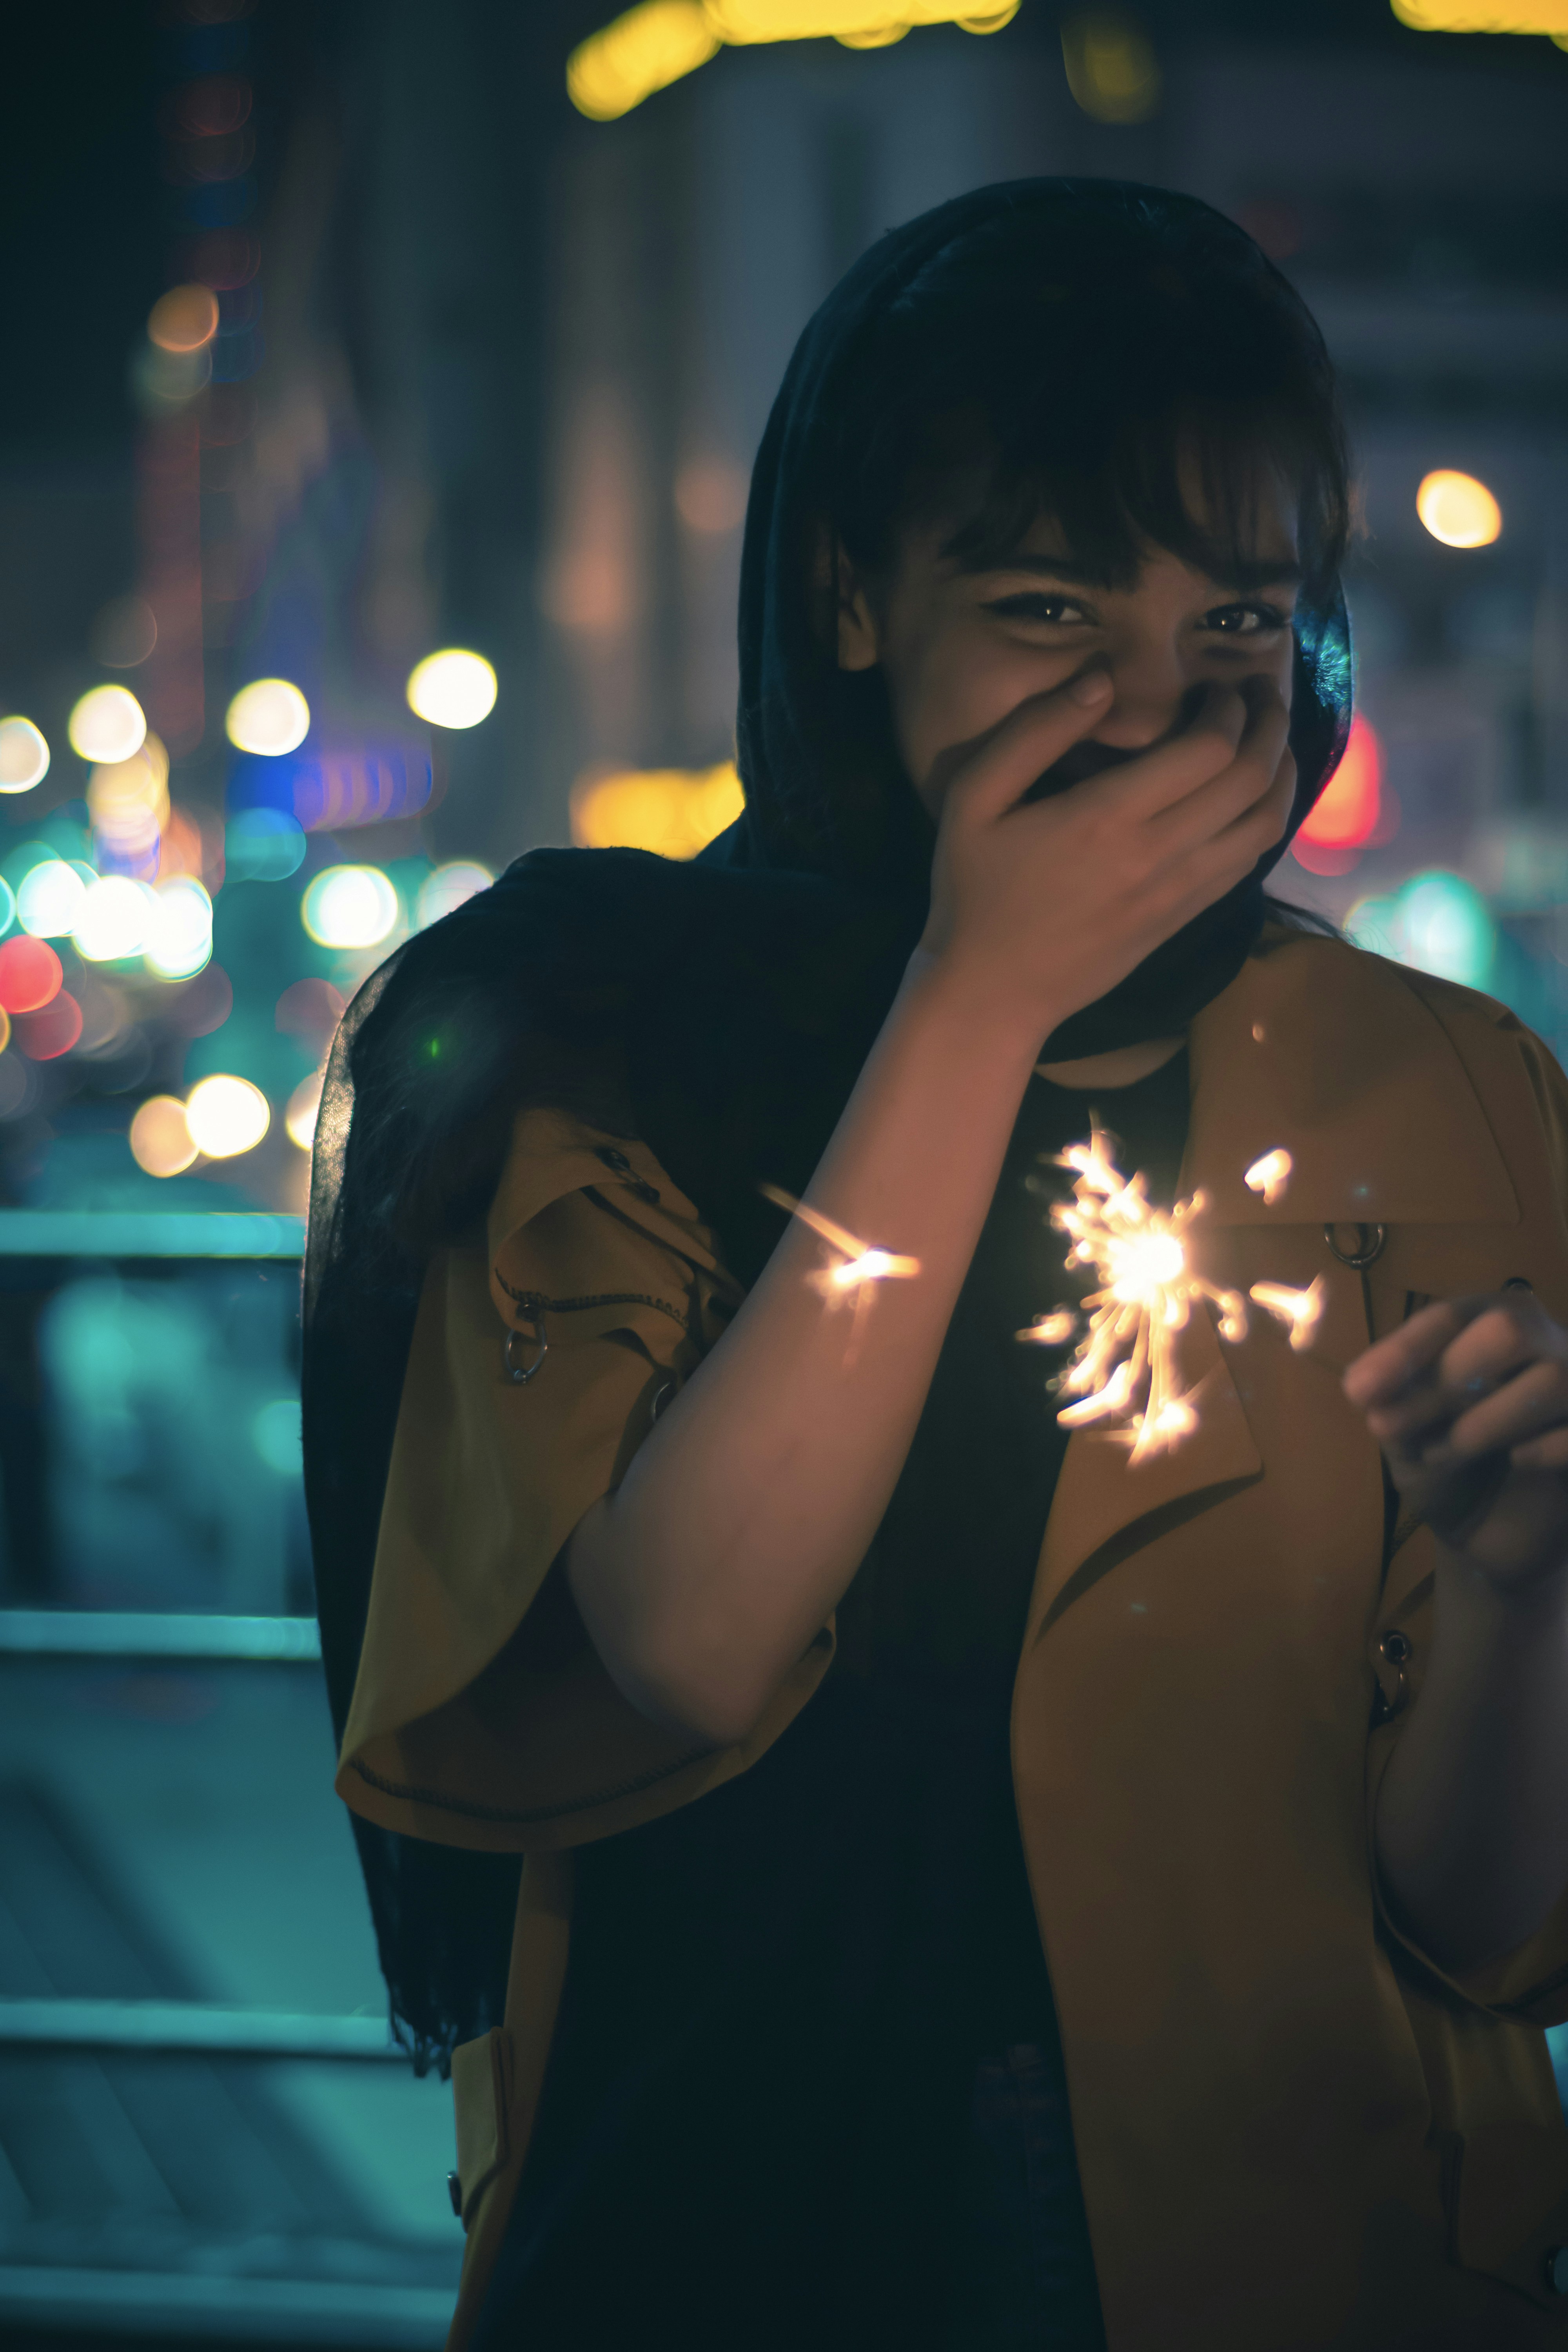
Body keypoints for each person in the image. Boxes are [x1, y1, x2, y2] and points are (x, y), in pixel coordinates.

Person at [303, 180, 1568, 2351]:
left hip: (1295, 2236)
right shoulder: (594, 1037)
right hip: (715, 2214)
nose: (1154, 712)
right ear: (850, 592)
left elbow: (1482, 1921)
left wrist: (1531, 1584)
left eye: (1241, 629)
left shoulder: (1432, 1089)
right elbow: (683, 1648)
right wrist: (973, 1004)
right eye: (1058, 611)